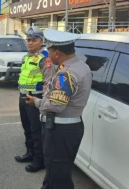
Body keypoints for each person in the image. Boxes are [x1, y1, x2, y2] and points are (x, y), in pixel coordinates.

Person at [26, 29, 92, 189]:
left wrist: (36, 101)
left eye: (48, 51)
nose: (47, 55)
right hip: (70, 128)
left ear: (57, 53)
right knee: (55, 171)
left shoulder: (65, 74)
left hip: (60, 130)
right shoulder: (82, 66)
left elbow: (56, 106)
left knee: (59, 176)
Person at [15, 26, 55, 173]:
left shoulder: (45, 58)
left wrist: (43, 102)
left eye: (34, 40)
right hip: (23, 96)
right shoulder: (27, 57)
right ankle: (30, 153)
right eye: (29, 40)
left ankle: (39, 160)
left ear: (41, 41)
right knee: (27, 128)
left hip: (36, 98)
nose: (30, 42)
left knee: (37, 130)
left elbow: (48, 82)